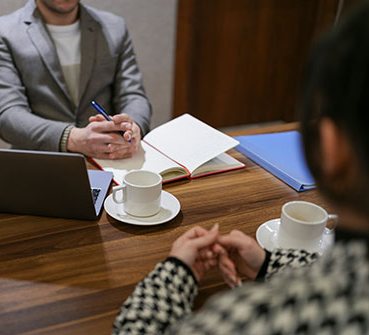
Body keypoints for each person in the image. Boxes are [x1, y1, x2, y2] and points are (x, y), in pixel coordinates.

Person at [113, 3, 369, 334]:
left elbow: (132, 329)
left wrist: (175, 271)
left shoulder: (259, 316)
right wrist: (269, 264)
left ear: (333, 148)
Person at [0, 0, 151, 159]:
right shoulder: (1, 33)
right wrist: (72, 137)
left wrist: (132, 126)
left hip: (110, 159)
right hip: (39, 160)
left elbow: (133, 95)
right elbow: (8, 115)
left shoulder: (114, 27)